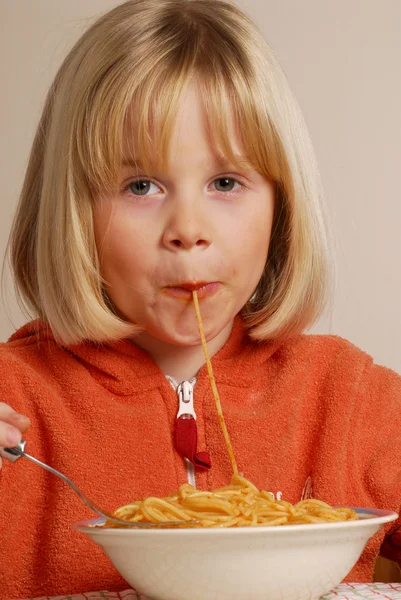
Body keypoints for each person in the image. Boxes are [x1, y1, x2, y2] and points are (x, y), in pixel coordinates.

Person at [0, 0, 400, 597]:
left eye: (226, 183)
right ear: (73, 214)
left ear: (280, 208)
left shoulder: (350, 399)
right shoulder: (15, 403)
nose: (188, 227)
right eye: (141, 185)